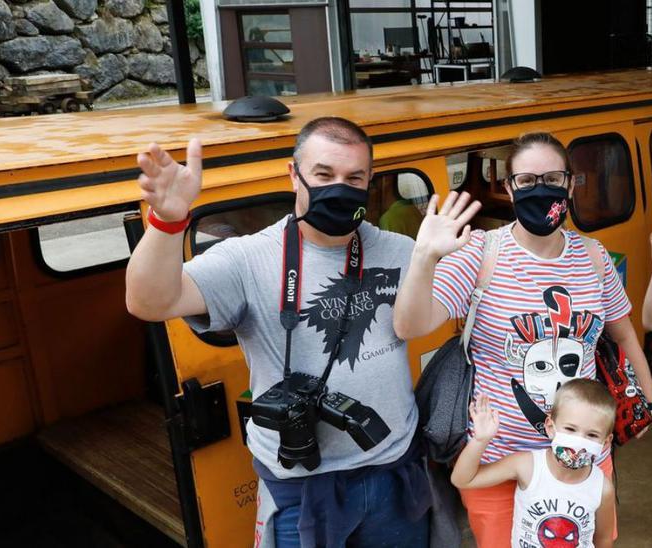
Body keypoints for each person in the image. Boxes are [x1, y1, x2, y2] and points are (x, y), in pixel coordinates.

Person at [125, 117, 431, 547]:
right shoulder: (247, 259)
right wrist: (168, 222)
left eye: (353, 178)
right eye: (324, 174)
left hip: (393, 472)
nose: (338, 188)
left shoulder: (402, 252)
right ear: (293, 174)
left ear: (369, 182)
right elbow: (148, 302)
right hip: (300, 489)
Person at [393, 132, 652, 547]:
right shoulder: (481, 254)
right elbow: (410, 325)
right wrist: (424, 257)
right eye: (527, 180)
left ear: (571, 184)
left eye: (553, 179)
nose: (542, 190)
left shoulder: (594, 256)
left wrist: (649, 399)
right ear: (509, 187)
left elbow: (622, 331)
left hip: (583, 458)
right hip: (499, 461)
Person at [452, 381, 618, 548]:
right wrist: (480, 440)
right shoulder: (527, 466)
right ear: (550, 427)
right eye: (570, 429)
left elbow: (603, 539)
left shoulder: (602, 487)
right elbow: (463, 480)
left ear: (605, 442)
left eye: (591, 434)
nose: (579, 442)